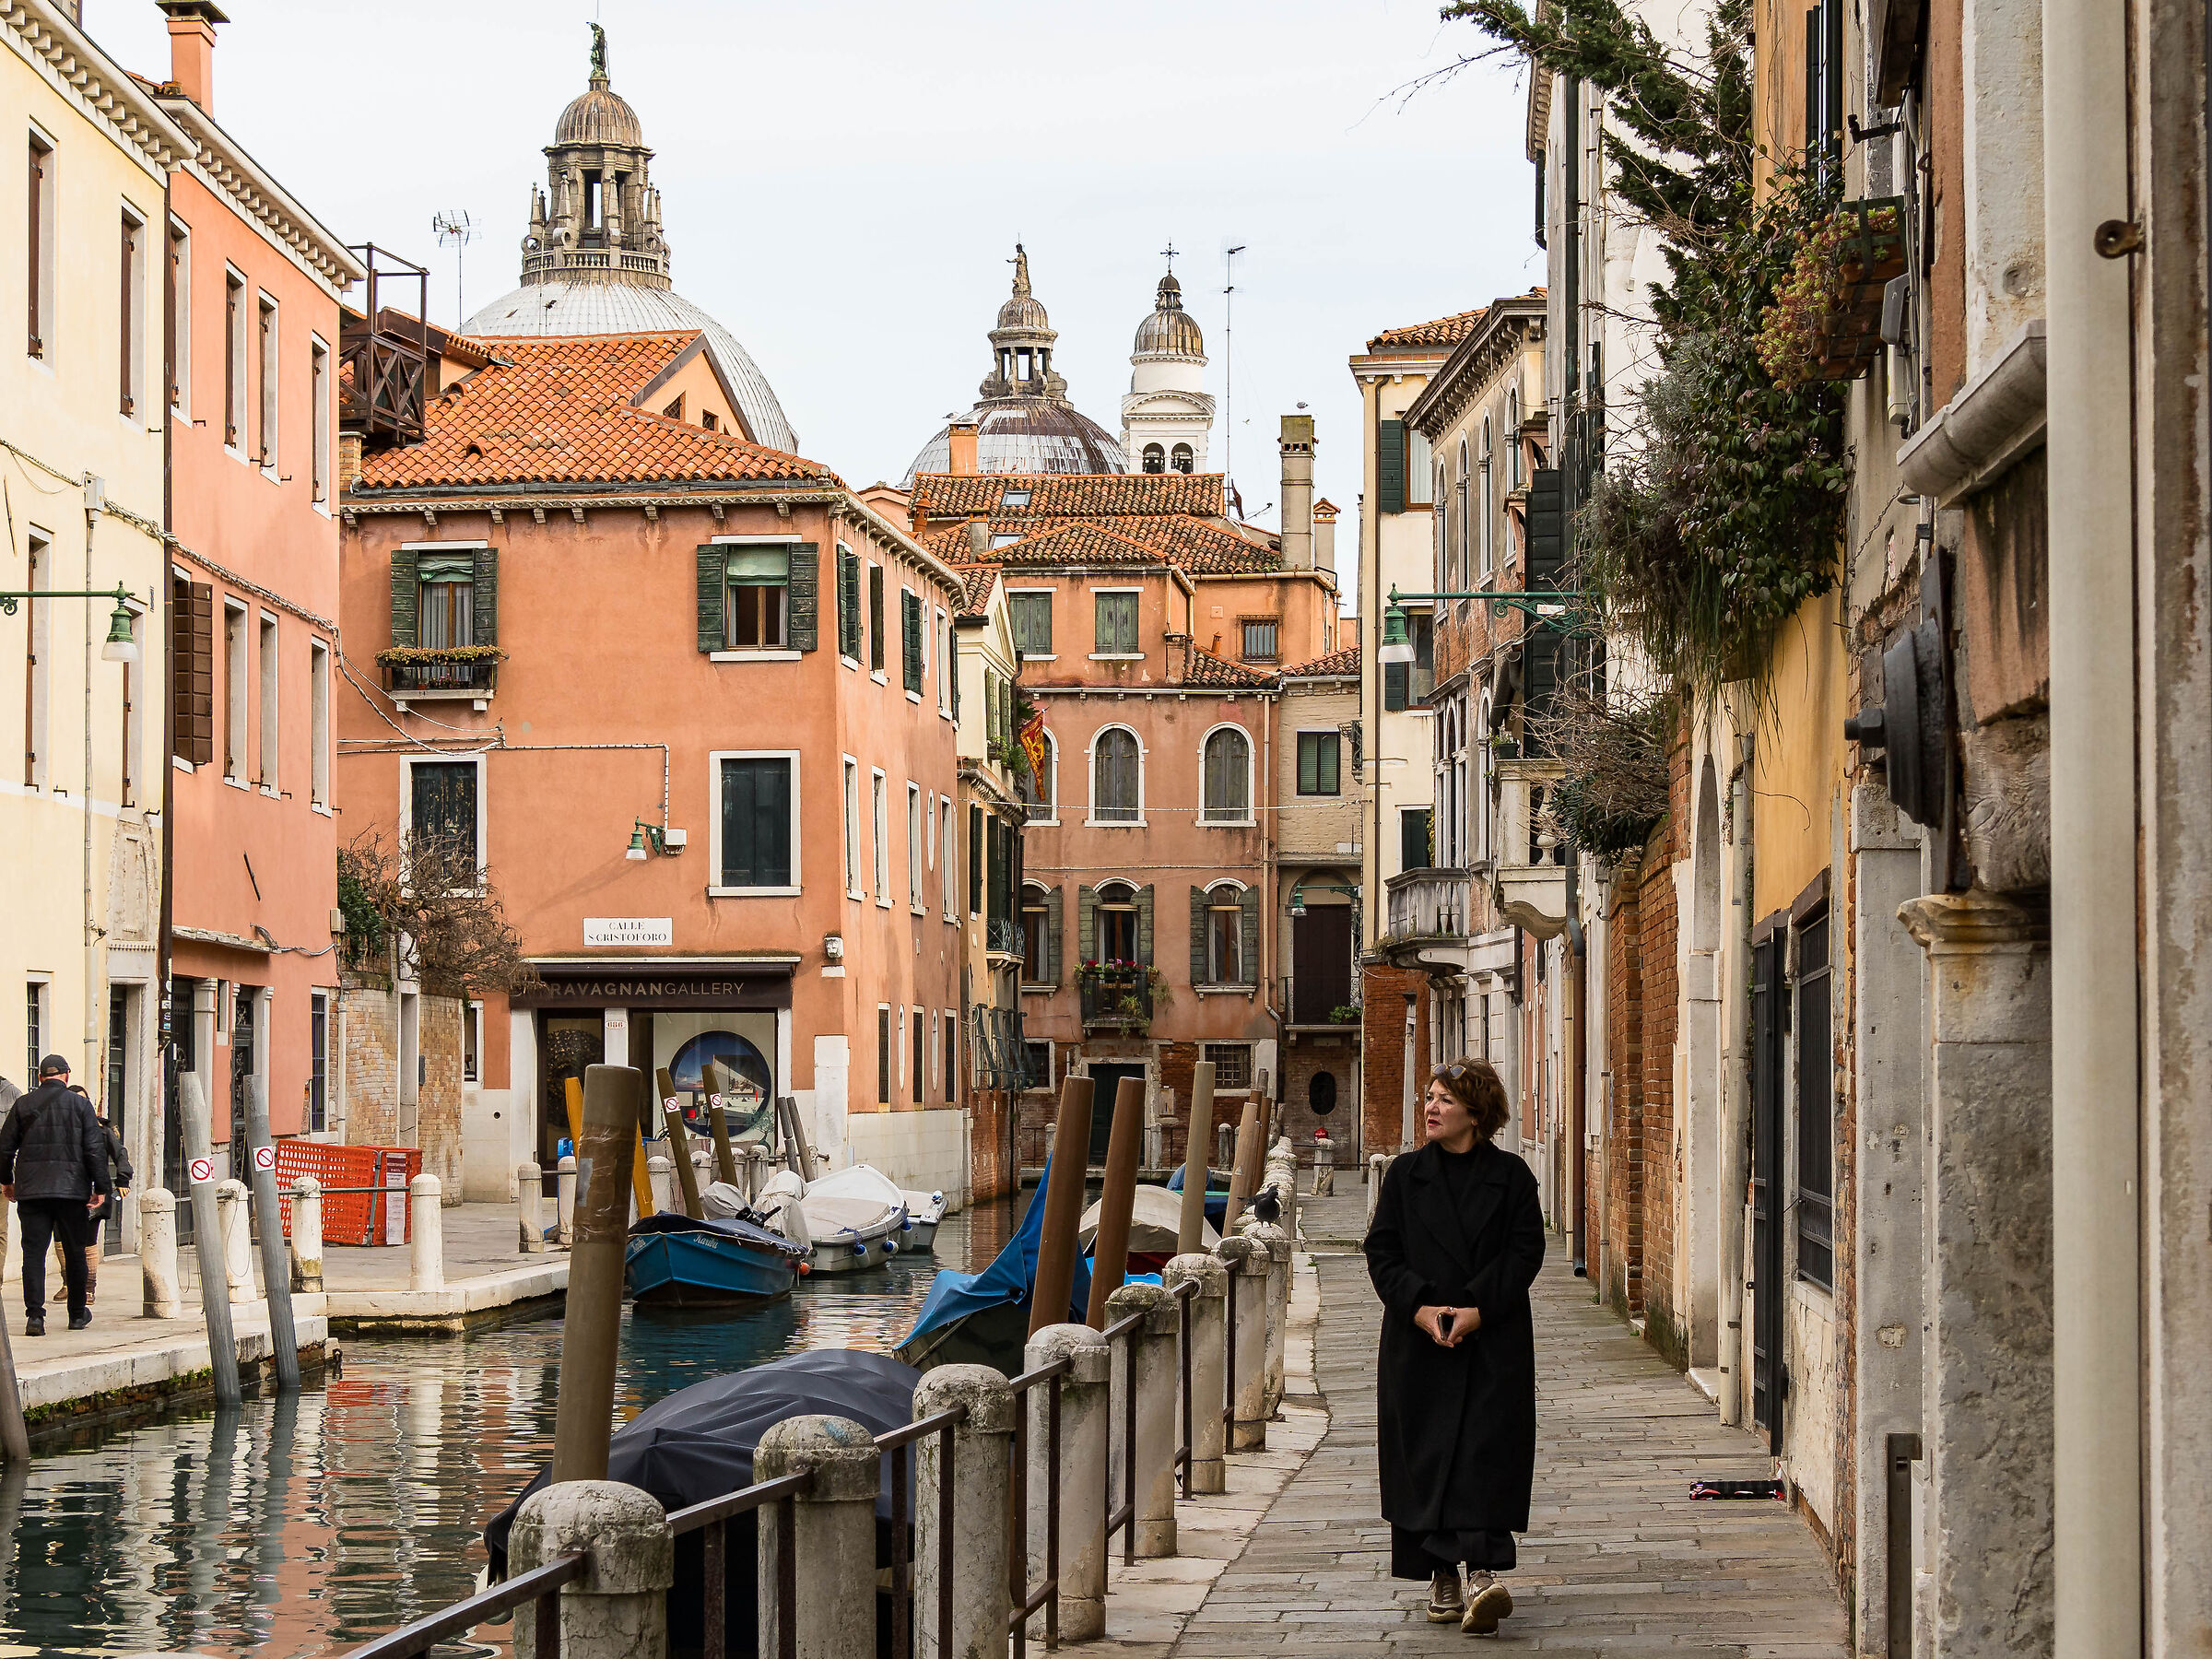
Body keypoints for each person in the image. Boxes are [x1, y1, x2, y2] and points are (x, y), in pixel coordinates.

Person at [1363, 1057, 1546, 1634]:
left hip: (1492, 1339)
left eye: (1444, 1099)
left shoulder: (1513, 1178)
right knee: (1424, 1457)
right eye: (1430, 1097)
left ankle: (1484, 1575)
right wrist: (1417, 1307)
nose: (1432, 1107)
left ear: (1475, 1112)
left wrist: (1476, 1310)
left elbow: (1525, 1255)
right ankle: (1442, 1575)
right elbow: (1382, 1253)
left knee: (1485, 1454)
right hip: (1417, 1342)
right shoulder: (1404, 1176)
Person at [0, 1055, 112, 1335]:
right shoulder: (80, 1105)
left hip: (32, 1192)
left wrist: (7, 1182)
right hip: (71, 1192)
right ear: (66, 1075)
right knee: (75, 1253)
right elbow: (94, 1149)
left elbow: (4, 1149)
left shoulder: (23, 1104)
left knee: (34, 1254)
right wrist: (101, 1188)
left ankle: (35, 1317)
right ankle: (76, 1314)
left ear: (40, 1078)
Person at [52, 1083, 131, 1306]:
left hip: (93, 1191)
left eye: (83, 1100)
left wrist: (123, 1179)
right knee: (60, 1239)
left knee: (88, 1241)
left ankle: (88, 1288)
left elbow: (120, 1154)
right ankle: (68, 1283)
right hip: (63, 1192)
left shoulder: (102, 1130)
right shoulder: (59, 1130)